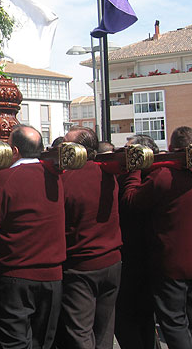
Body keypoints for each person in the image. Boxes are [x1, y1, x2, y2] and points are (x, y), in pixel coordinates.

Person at [122, 126, 192, 349]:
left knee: (174, 323)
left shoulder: (164, 175)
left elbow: (131, 201)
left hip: (170, 263)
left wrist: (133, 169)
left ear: (170, 148)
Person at [0, 124, 65, 348]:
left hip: (17, 275)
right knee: (42, 341)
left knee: (14, 341)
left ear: (14, 151)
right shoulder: (55, 176)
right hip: (52, 276)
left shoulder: (5, 178)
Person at [54, 126, 122, 349]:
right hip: (112, 261)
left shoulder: (67, 179)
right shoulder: (106, 173)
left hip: (83, 264)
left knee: (80, 332)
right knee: (104, 329)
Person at [115, 134, 160, 349]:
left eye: (129, 152)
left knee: (131, 318)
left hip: (137, 256)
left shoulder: (148, 179)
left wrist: (133, 171)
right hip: (139, 255)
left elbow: (130, 203)